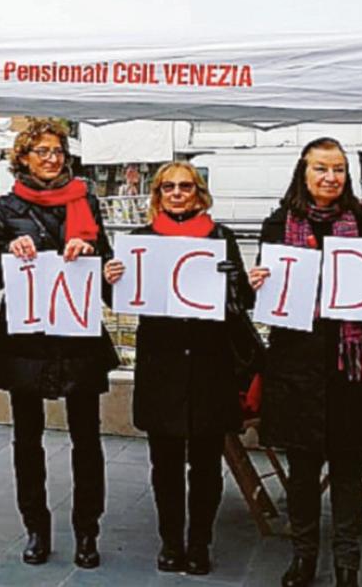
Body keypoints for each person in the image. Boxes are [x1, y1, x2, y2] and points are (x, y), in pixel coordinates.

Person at [250, 137, 362, 587]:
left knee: (348, 469)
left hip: (349, 364)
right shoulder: (278, 226)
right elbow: (261, 293)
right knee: (301, 472)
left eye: (338, 169)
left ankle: (347, 563)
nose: (330, 177)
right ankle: (303, 557)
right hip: (295, 365)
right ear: (304, 172)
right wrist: (256, 282)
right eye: (321, 169)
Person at [0, 118, 121, 570]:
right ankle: (36, 528)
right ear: (23, 157)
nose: (51, 158)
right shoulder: (5, 207)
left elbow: (108, 273)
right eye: (41, 151)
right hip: (27, 336)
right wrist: (8, 253)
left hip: (77, 335)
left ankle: (87, 530)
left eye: (57, 151)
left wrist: (98, 260)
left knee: (87, 438)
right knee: (27, 439)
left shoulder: (88, 203)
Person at [108, 162, 252, 576]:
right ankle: (171, 541)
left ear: (199, 192)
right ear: (157, 194)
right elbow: (122, 298)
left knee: (206, 463)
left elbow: (243, 301)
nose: (176, 193)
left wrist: (234, 283)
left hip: (210, 364)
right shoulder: (141, 240)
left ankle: (200, 542)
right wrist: (110, 278)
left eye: (184, 186)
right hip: (163, 363)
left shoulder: (221, 238)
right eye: (168, 187)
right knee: (164, 462)